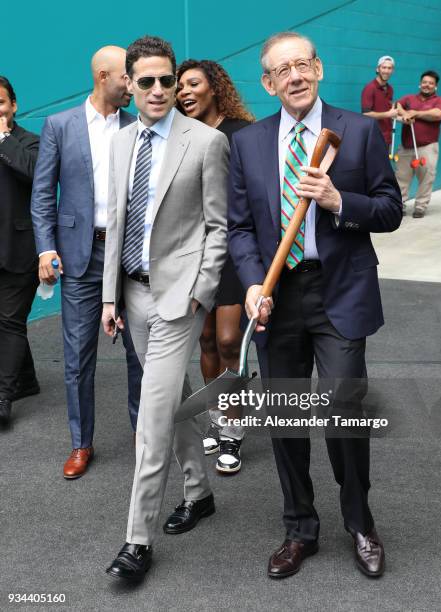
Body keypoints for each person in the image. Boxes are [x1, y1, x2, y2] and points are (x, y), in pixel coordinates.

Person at [228, 32, 402, 579]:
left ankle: (359, 521)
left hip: (340, 291)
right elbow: (239, 228)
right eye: (283, 70)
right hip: (278, 297)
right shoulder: (249, 143)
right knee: (285, 419)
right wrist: (254, 283)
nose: (295, 76)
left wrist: (337, 201)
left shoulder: (358, 131)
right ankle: (299, 526)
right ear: (268, 82)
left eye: (303, 64)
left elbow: (390, 208)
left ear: (319, 69)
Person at [102, 36, 229, 582]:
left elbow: (219, 226)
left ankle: (137, 541)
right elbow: (116, 226)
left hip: (180, 298)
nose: (158, 90)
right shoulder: (120, 141)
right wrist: (110, 295)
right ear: (128, 84)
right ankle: (199, 492)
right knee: (172, 394)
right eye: (146, 80)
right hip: (131, 293)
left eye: (166, 79)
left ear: (176, 81)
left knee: (150, 419)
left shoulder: (204, 142)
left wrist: (201, 290)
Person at [31, 46, 142, 478]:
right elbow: (43, 195)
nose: (133, 86)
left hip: (130, 254)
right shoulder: (60, 125)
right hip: (81, 255)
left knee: (140, 351)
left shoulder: (139, 126)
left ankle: (142, 437)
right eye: (127, 78)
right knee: (78, 357)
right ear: (103, 76)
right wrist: (45, 248)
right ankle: (81, 443)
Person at [176, 58, 254, 474]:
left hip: (235, 250)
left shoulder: (241, 134)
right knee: (205, 341)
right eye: (180, 87)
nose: (185, 92)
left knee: (228, 341)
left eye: (194, 84)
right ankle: (218, 419)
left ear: (214, 88)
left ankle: (235, 430)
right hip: (193, 251)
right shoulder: (180, 136)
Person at [0, 77, 40, 426]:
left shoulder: (30, 142)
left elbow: (34, 174)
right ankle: (25, 379)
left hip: (19, 248)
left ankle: (2, 397)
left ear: (13, 105)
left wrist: (2, 139)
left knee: (10, 321)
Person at [395, 70, 441, 218]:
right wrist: (404, 113)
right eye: (425, 82)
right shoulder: (409, 98)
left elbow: (438, 114)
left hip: (428, 147)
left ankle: (420, 206)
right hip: (406, 147)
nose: (427, 85)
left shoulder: (440, 101)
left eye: (431, 83)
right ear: (420, 84)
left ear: (435, 86)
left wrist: (415, 113)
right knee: (401, 177)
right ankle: (400, 204)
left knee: (426, 177)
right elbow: (396, 104)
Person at [361, 55, 397, 146]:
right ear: (378, 69)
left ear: (392, 71)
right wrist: (388, 114)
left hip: (387, 138)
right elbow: (366, 114)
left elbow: (388, 112)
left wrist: (401, 118)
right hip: (373, 138)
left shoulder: (390, 89)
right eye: (384, 67)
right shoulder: (370, 88)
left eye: (389, 68)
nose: (386, 71)